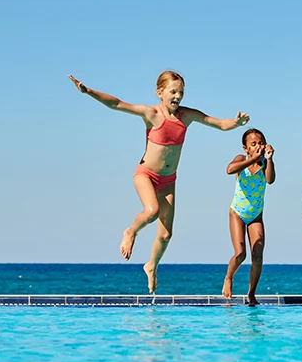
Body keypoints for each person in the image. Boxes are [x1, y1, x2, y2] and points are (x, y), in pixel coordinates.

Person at [68, 72, 250, 293]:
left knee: (165, 235)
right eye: (173, 91)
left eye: (181, 92)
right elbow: (116, 104)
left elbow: (219, 123)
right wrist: (89, 92)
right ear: (160, 92)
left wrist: (237, 123)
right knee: (152, 210)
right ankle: (130, 232)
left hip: (168, 180)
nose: (177, 96)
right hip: (145, 173)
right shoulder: (152, 114)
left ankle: (151, 266)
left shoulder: (186, 116)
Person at [222, 128, 276, 305]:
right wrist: (251, 159)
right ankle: (229, 278)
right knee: (240, 253)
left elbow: (270, 180)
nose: (258, 146)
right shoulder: (241, 159)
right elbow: (229, 170)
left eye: (261, 142)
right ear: (246, 148)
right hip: (237, 212)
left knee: (258, 254)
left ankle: (251, 293)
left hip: (255, 216)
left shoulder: (265, 164)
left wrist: (269, 160)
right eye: (253, 144)